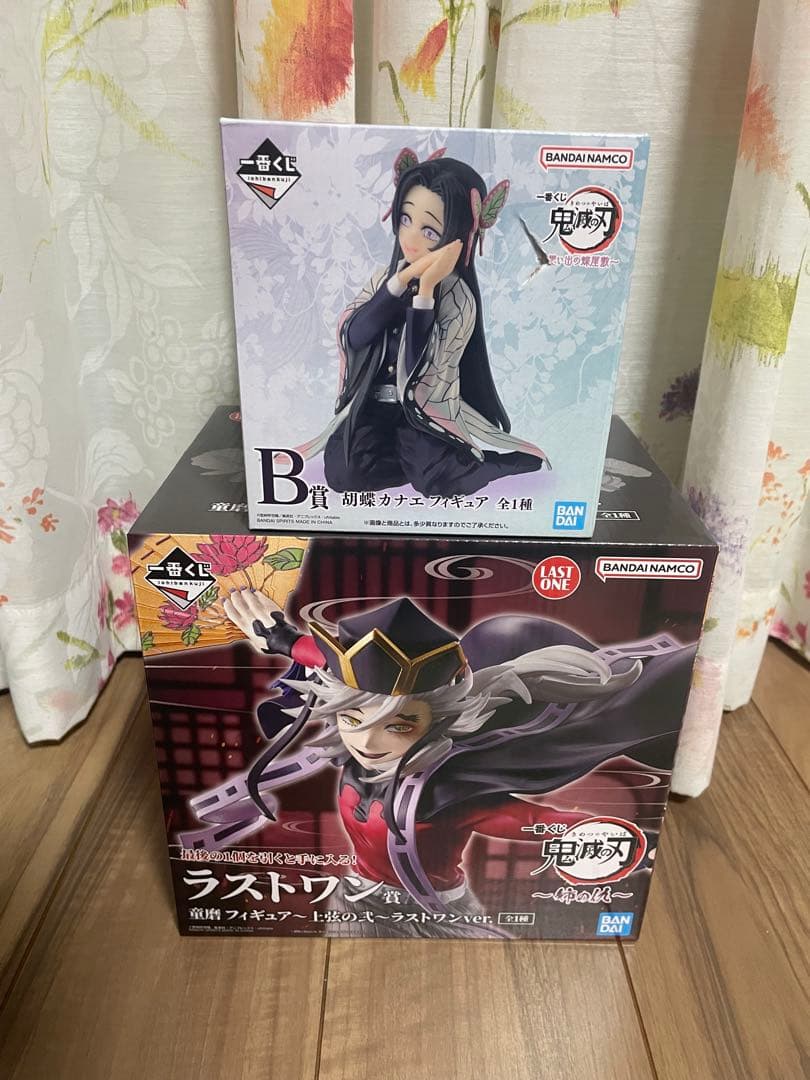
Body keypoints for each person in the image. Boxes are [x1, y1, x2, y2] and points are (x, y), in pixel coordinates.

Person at [179, 589, 694, 938]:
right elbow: (337, 668)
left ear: (437, 719)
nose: (367, 740)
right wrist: (282, 638)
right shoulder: (356, 732)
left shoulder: (448, 789)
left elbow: (529, 820)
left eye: (400, 725)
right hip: (353, 899)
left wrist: (591, 837)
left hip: (439, 912)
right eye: (352, 717)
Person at [294, 150, 549, 497]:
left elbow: (422, 367)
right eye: (405, 219)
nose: (411, 238)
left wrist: (426, 289)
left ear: (459, 238)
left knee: (436, 482)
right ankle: (418, 463)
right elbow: (354, 336)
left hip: (423, 413)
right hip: (373, 407)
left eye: (429, 230)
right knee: (343, 474)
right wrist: (400, 282)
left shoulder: (458, 299)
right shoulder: (385, 279)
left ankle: (491, 465)